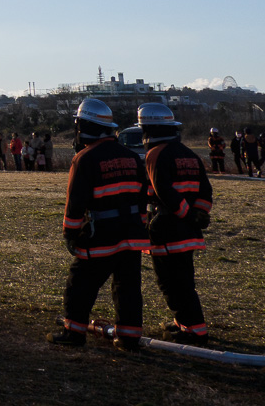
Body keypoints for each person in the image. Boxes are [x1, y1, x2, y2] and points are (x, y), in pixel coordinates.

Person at [51, 98, 148, 350]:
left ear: (85, 126)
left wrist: (70, 233)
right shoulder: (131, 157)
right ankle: (128, 338)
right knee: (127, 288)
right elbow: (142, 197)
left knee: (80, 284)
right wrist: (141, 228)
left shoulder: (84, 158)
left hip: (101, 235)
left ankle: (74, 333)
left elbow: (75, 202)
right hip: (132, 235)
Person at [138, 103, 213, 345]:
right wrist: (198, 214)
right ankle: (185, 323)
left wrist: (185, 214)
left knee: (171, 283)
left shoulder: (155, 154)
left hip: (167, 230)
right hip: (188, 231)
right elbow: (206, 190)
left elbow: (165, 193)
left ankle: (194, 331)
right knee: (184, 281)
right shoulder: (189, 154)